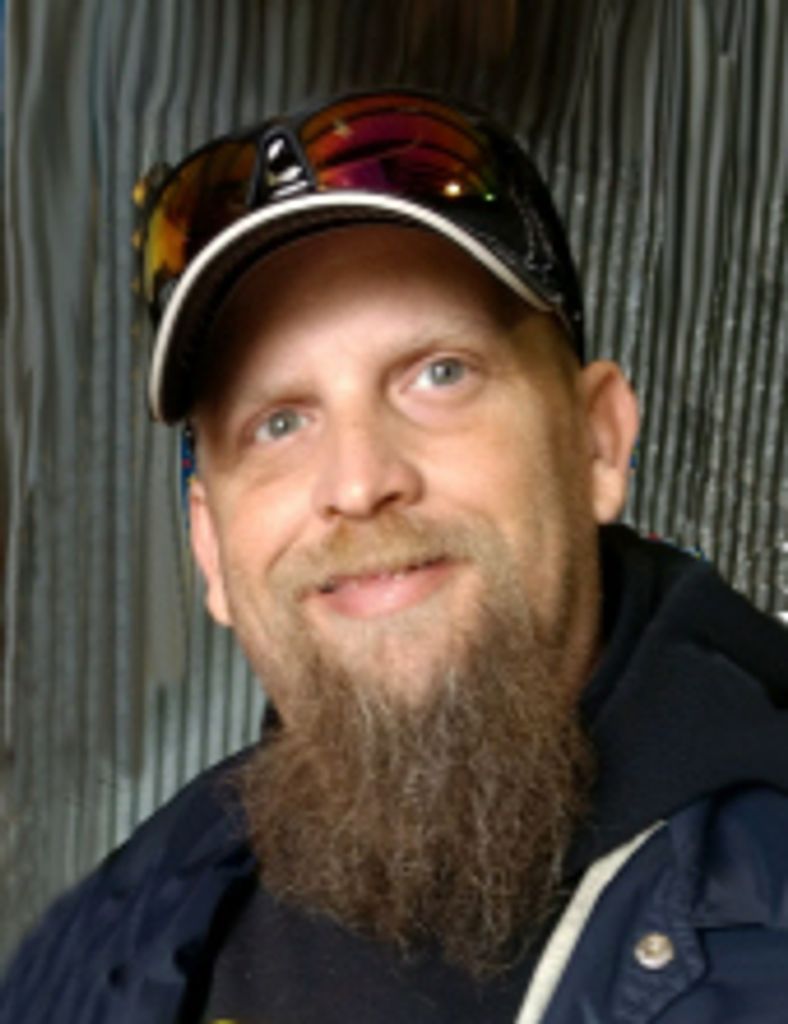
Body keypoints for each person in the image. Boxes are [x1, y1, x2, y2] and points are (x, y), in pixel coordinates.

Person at [2, 89, 788, 1024]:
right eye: (279, 422)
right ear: (209, 545)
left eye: (437, 374)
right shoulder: (110, 939)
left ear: (597, 442)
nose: (358, 480)